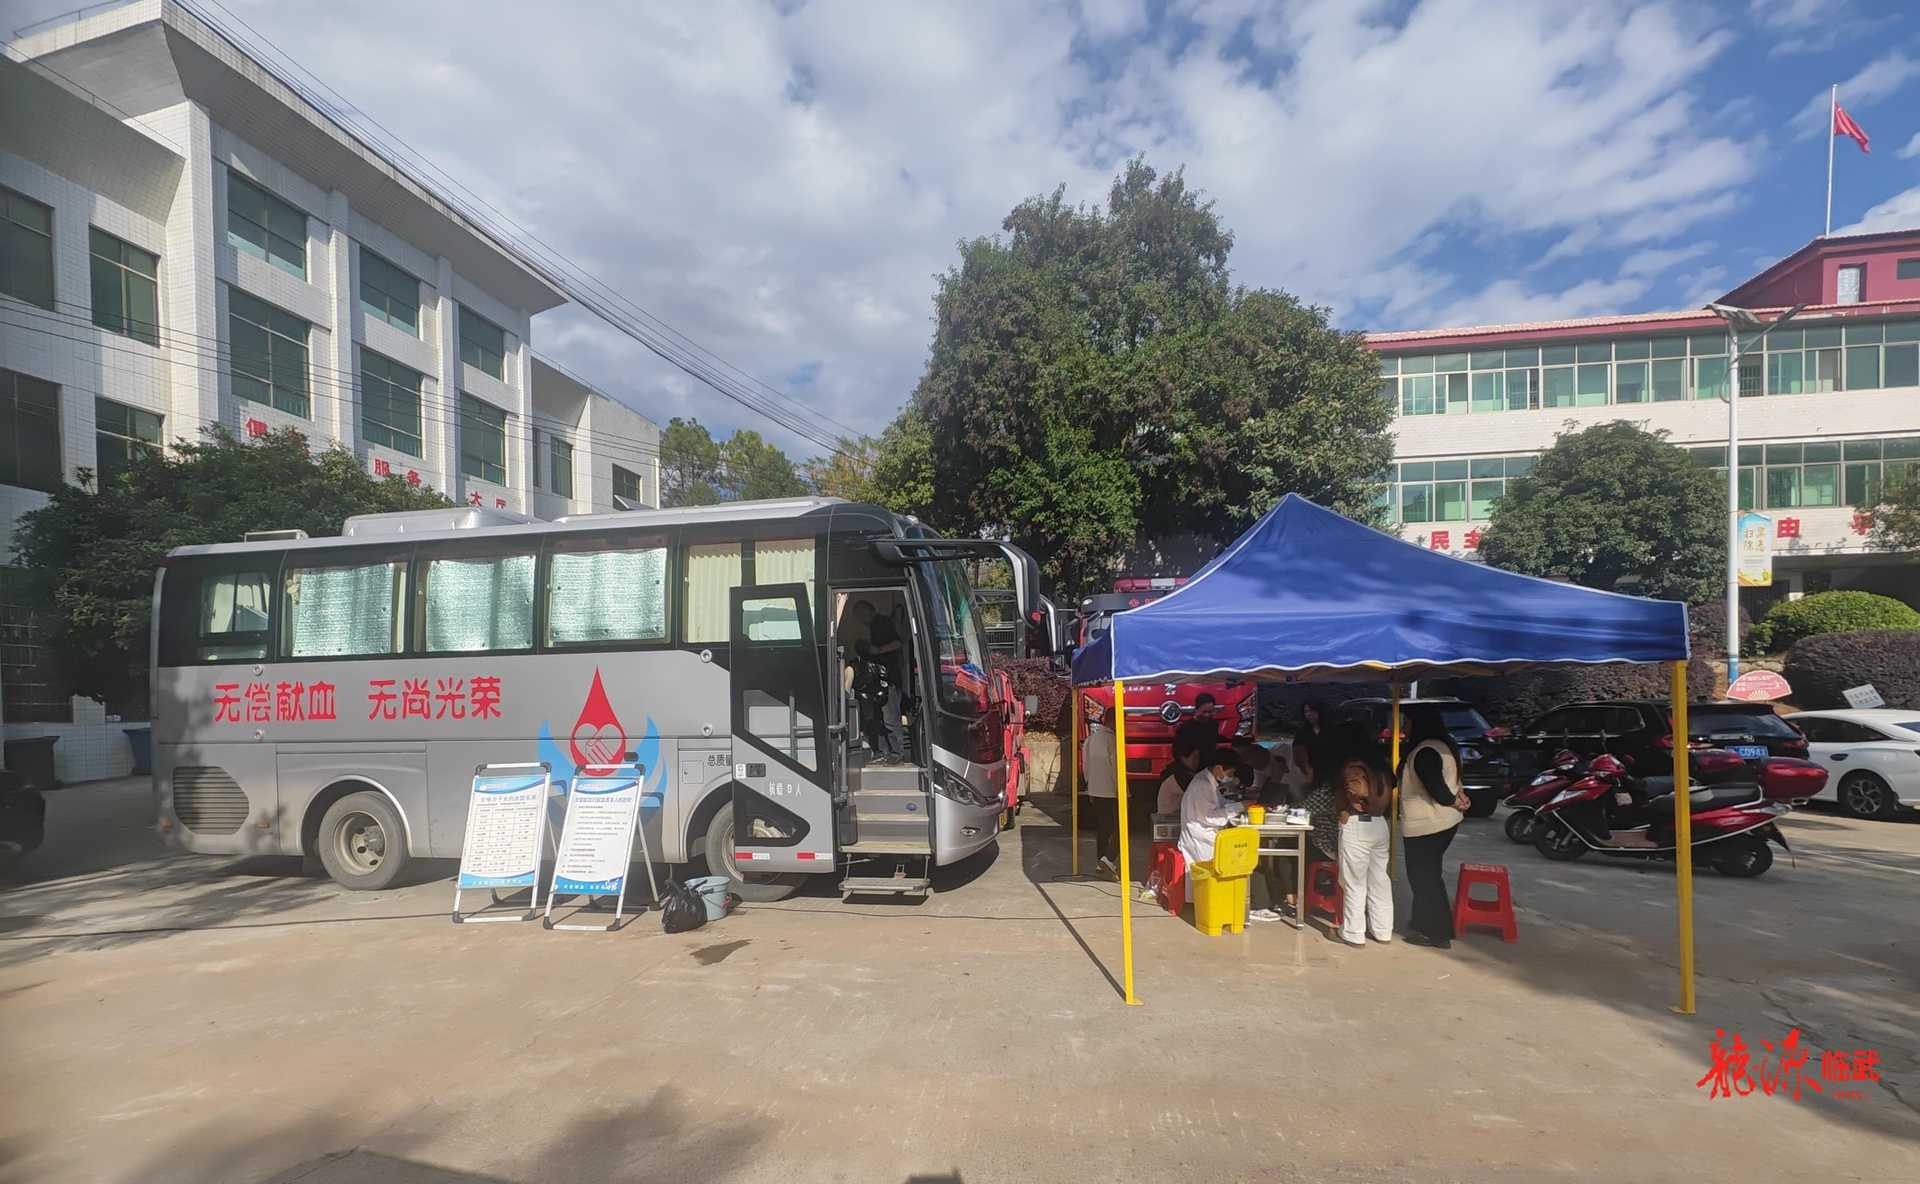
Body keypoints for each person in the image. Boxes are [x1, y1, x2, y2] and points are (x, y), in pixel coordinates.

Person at [1179, 749, 1284, 922]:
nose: (1232, 776)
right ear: (1218, 768)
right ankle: (1255, 906)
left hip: (1207, 834)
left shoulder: (1208, 781)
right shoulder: (1202, 784)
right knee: (1242, 859)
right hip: (1201, 838)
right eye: (1231, 772)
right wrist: (1242, 806)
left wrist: (1242, 803)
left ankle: (1259, 901)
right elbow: (1210, 816)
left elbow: (1221, 804)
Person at [1399, 715, 1471, 949]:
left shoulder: (1425, 752)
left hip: (1428, 824)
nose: (1403, 726)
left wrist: (1454, 801)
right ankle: (1422, 921)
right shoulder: (1444, 746)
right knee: (1428, 874)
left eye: (1407, 722)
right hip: (1443, 823)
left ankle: (1437, 933)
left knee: (1424, 878)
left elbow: (1437, 789)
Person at [1331, 727, 1393, 948]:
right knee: (1379, 880)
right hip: (1379, 823)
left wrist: (1348, 805)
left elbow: (1356, 789)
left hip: (1358, 824)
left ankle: (1353, 933)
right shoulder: (1379, 763)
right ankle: (1383, 931)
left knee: (1355, 882)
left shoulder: (1353, 765)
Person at [850, 600, 906, 764]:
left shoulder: (882, 623)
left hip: (888, 680)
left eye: (861, 614)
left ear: (869, 610)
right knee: (879, 718)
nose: (860, 619)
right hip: (878, 682)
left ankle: (896, 754)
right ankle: (884, 753)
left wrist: (878, 650)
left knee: (890, 717)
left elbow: (898, 642)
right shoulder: (874, 626)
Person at [1081, 707, 1120, 875]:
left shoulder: (1091, 739)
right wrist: (1124, 792)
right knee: (1121, 828)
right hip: (1112, 791)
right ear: (1114, 721)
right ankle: (1109, 858)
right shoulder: (1113, 740)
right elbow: (1117, 769)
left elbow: (1086, 766)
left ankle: (1100, 861)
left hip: (1096, 790)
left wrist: (1090, 787)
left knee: (1104, 827)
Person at [1158, 735, 1203, 816]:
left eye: (1198, 758)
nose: (1197, 762)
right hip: (1170, 817)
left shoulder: (1179, 770)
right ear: (1183, 757)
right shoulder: (1178, 776)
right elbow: (1198, 795)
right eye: (1194, 758)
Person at [1173, 693, 1224, 757]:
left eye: (1210, 712)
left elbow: (1215, 745)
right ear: (1196, 709)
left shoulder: (1214, 724)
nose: (1207, 715)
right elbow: (1177, 753)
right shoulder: (1185, 728)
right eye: (1204, 712)